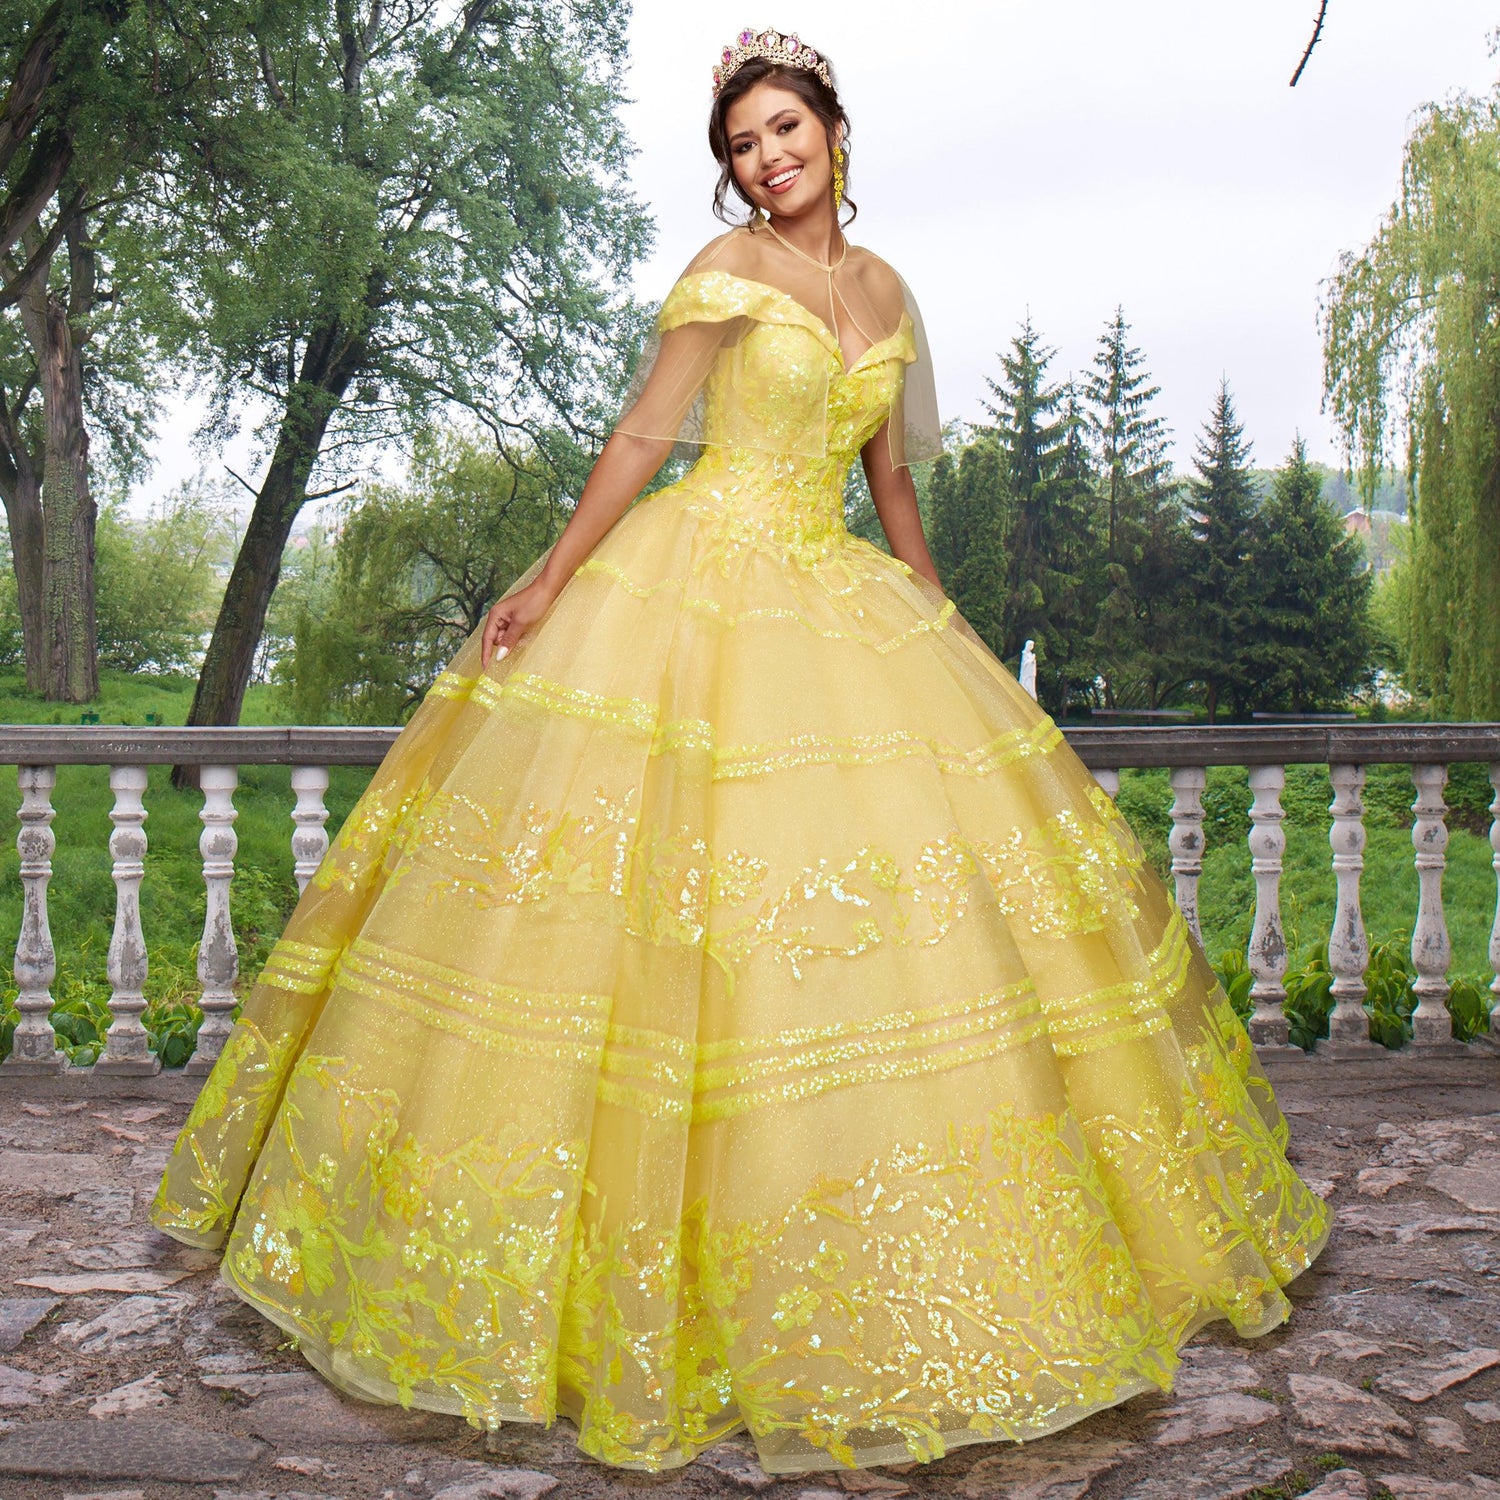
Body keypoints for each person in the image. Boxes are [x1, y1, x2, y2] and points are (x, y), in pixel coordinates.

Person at [151, 26, 1330, 1477]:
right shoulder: (725, 281)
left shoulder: (890, 293)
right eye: (743, 146)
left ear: (835, 127)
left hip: (842, 600)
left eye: (784, 130)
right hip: (695, 585)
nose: (767, 159)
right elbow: (648, 437)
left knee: (888, 929)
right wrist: (546, 577)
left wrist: (939, 623)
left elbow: (891, 473)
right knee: (648, 925)